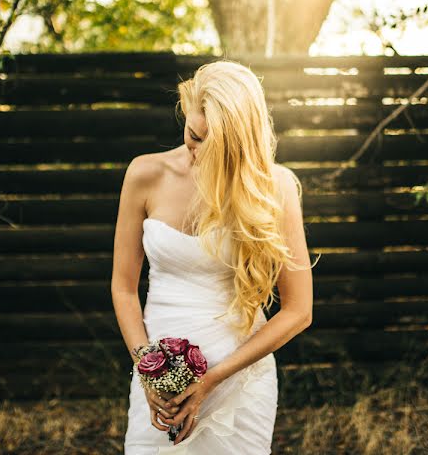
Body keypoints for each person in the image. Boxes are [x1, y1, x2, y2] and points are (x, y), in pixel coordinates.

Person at [111, 59, 315, 454]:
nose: (197, 150)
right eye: (193, 134)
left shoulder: (275, 186)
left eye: (212, 143)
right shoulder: (145, 175)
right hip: (161, 379)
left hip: (240, 380)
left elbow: (299, 310)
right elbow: (122, 287)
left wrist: (213, 379)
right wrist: (147, 368)